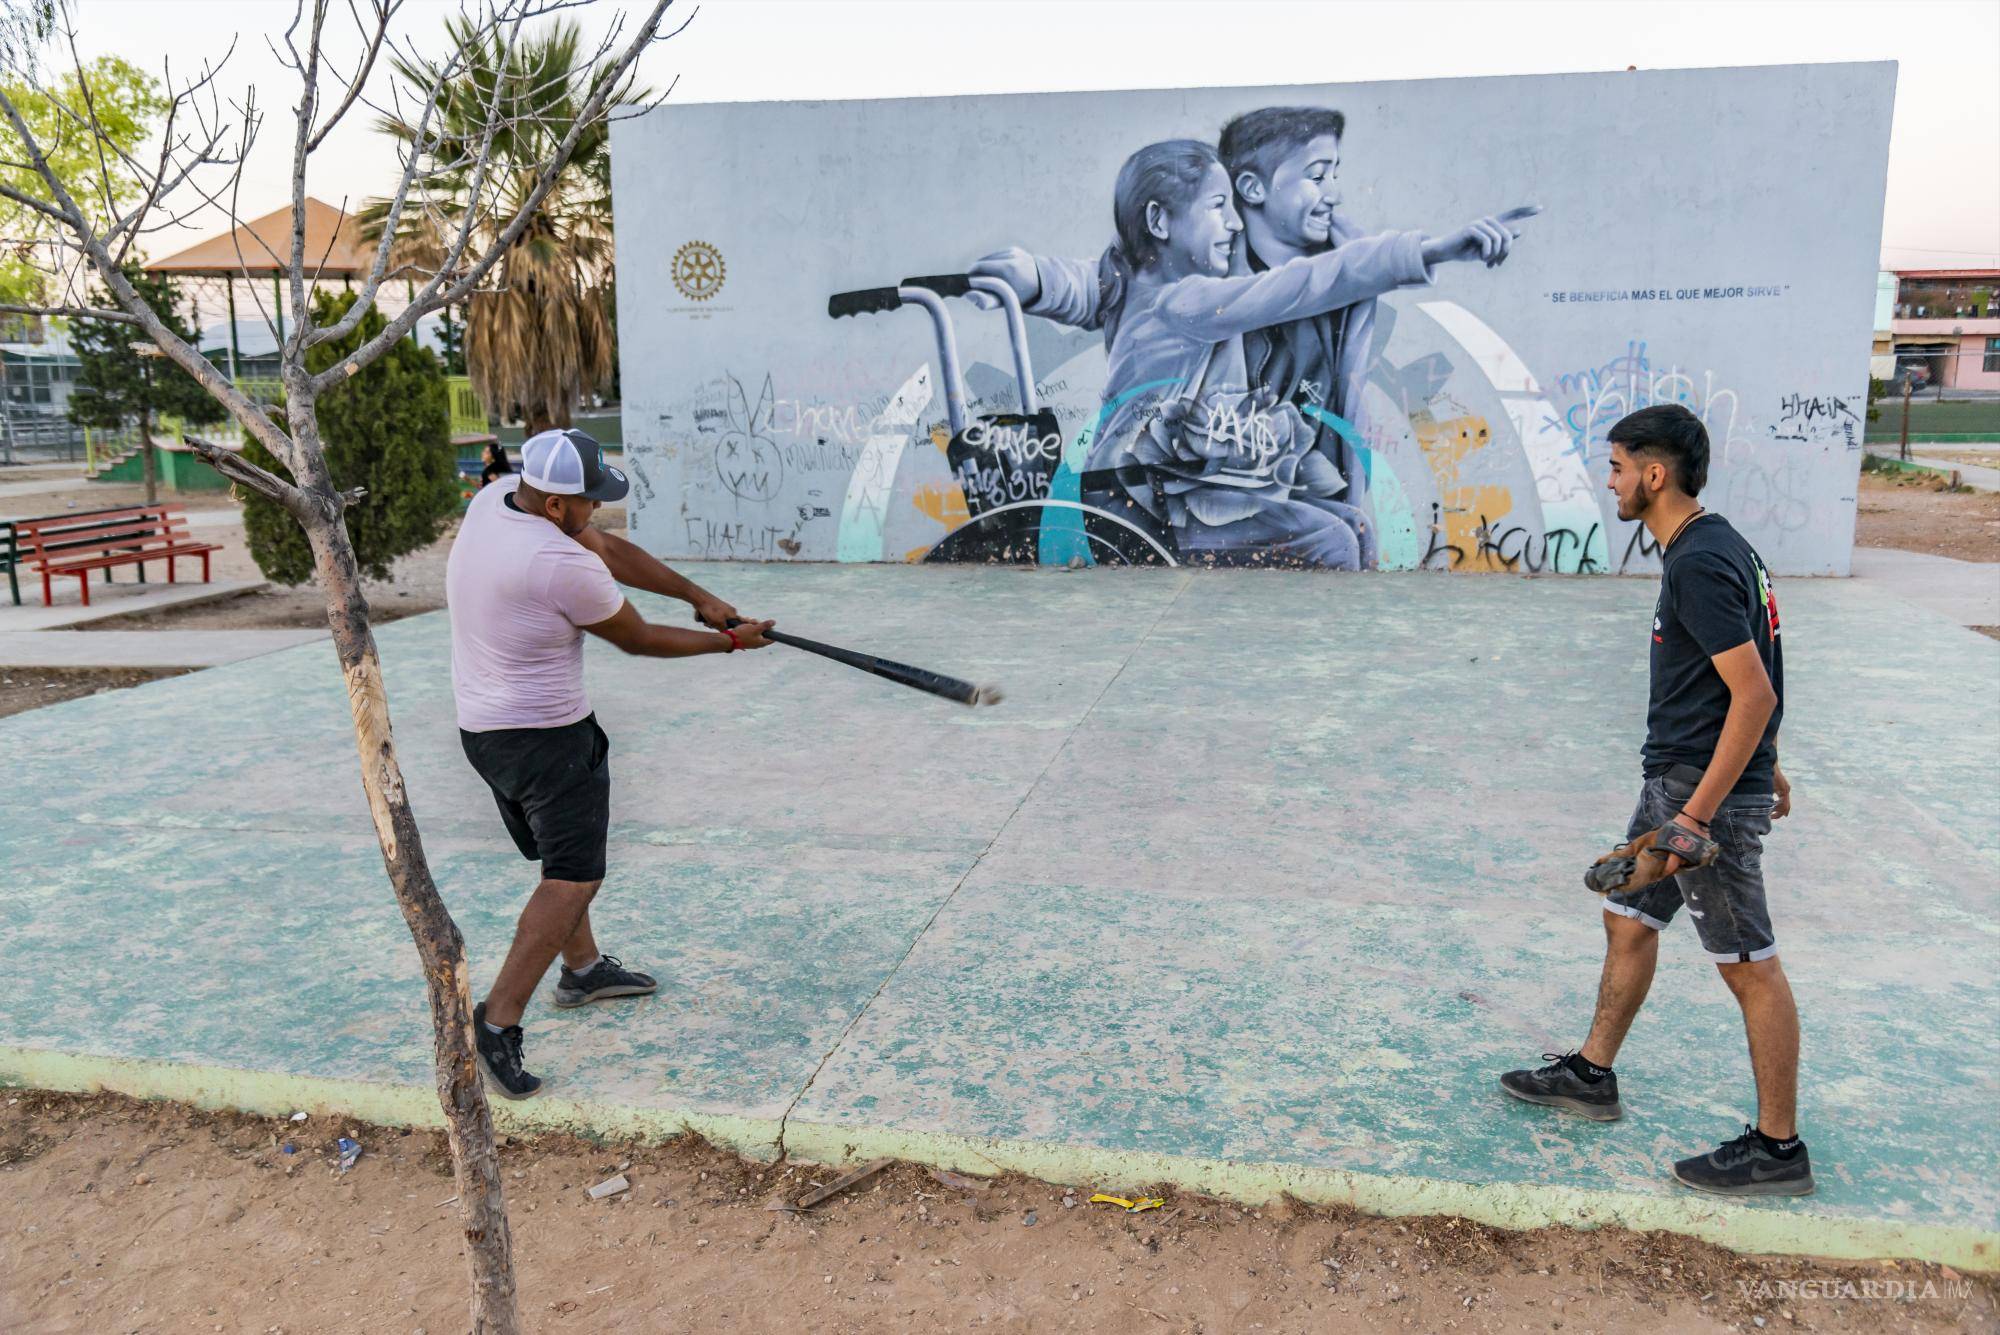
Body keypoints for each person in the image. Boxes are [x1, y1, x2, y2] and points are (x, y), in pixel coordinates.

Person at [972, 107, 1535, 568]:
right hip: (1147, 501)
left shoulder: (1132, 280)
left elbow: (1079, 284)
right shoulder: (1188, 299)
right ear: (1161, 224)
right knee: (1335, 540)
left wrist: (1033, 277)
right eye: (1220, 209)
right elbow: (1306, 283)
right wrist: (1430, 250)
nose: (1236, 223)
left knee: (1351, 523)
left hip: (1158, 489)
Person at [1499, 403, 1808, 1197]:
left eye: (1616, 468)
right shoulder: (1717, 544)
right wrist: (1762, 767)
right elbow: (1754, 676)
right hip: (1682, 780)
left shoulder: (1699, 561)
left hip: (1700, 799)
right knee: (1627, 915)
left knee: (1750, 966)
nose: (1611, 483)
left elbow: (1754, 690)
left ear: (1654, 473)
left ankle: (1778, 1151)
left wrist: (1699, 817)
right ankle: (1592, 1074)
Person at [447, 427, 774, 1099]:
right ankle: (498, 1019)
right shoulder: (555, 562)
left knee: (560, 855)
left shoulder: (499, 498)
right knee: (573, 877)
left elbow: (605, 547)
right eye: (589, 501)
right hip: (546, 739)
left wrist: (697, 595)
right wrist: (731, 643)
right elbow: (640, 638)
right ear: (558, 506)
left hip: (483, 729)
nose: (596, 510)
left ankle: (583, 968)